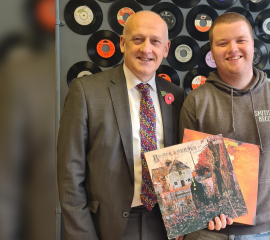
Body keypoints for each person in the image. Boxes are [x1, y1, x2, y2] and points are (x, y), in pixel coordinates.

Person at [179, 12, 270, 240]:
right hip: (207, 232)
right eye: (222, 43)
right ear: (212, 50)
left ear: (252, 44)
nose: (233, 48)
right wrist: (199, 211)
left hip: (264, 231)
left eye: (240, 40)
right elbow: (185, 170)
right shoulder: (196, 102)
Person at [57, 11, 185, 240]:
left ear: (166, 49)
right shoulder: (85, 91)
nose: (146, 49)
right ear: (122, 43)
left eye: (155, 41)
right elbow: (69, 175)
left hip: (165, 225)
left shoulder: (175, 96)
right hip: (108, 225)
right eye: (138, 39)